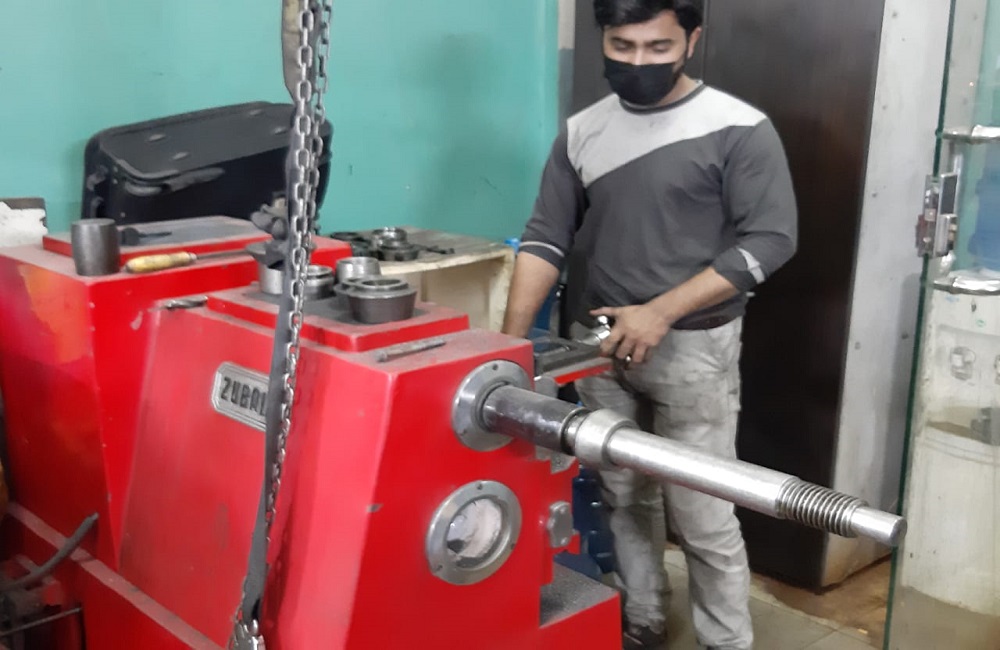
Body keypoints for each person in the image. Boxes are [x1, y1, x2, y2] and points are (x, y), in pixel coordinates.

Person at [501, 1, 798, 648]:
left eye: (658, 48)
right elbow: (546, 236)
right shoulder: (583, 131)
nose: (639, 62)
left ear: (691, 40)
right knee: (621, 493)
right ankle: (643, 619)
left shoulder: (738, 128)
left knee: (703, 511)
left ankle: (726, 642)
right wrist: (510, 346)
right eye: (623, 46)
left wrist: (660, 311)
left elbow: (772, 240)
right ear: (604, 39)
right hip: (597, 344)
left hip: (693, 348)